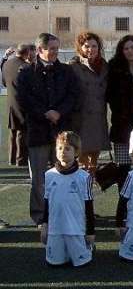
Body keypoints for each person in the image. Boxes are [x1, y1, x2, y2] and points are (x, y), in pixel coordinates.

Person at [17, 33, 79, 225]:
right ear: (39, 50)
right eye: (51, 49)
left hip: (61, 133)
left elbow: (73, 95)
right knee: (38, 178)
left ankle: (62, 210)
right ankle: (39, 215)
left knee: (63, 173)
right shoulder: (26, 73)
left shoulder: (67, 72)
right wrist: (45, 113)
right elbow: (24, 100)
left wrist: (59, 112)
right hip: (37, 132)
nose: (55, 52)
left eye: (56, 48)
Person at [40, 131, 94, 267]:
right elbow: (46, 203)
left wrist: (90, 232)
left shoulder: (84, 177)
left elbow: (89, 207)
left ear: (76, 152)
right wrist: (44, 226)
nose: (63, 152)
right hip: (55, 229)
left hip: (75, 229)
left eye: (68, 148)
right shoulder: (49, 175)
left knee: (81, 263)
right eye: (60, 148)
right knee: (54, 264)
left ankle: (88, 247)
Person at [107, 35, 133, 175]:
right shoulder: (114, 68)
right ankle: (124, 195)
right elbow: (110, 95)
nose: (130, 51)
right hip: (122, 125)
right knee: (123, 169)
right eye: (126, 48)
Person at [69, 32, 110, 174]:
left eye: (94, 46)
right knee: (82, 160)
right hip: (81, 119)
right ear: (80, 47)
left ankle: (89, 190)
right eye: (86, 46)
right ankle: (82, 191)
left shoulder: (104, 66)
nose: (90, 49)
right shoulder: (73, 67)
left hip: (98, 118)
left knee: (94, 162)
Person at [3, 43, 33, 166]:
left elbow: (4, 82)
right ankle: (21, 159)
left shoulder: (7, 63)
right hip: (22, 103)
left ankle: (12, 158)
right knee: (22, 132)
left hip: (10, 102)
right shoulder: (26, 67)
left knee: (13, 131)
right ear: (27, 53)